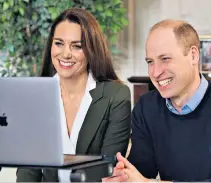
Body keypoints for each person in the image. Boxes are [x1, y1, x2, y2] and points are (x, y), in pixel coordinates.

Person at [103, 19, 211, 182]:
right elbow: (140, 173)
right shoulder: (147, 107)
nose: (155, 72)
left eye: (165, 59)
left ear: (193, 55)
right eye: (150, 62)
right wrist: (123, 177)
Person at [16, 7, 131, 182]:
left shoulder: (116, 96)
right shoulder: (35, 98)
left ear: (92, 50)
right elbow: (28, 173)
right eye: (59, 43)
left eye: (77, 46)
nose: (66, 54)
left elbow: (108, 172)